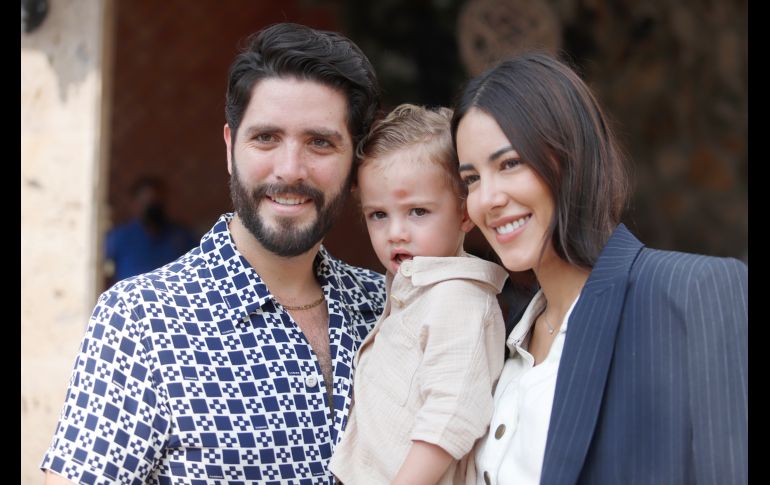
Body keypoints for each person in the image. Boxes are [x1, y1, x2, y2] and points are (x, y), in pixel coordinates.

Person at [41, 22, 384, 484]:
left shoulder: (388, 306)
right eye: (266, 138)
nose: (290, 169)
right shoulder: (141, 321)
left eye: (320, 142)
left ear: (354, 162)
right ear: (230, 147)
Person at [451, 52, 747, 485]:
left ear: (570, 157)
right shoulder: (496, 341)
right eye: (471, 179)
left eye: (509, 163)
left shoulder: (694, 293)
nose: (487, 199)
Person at [329, 104, 508, 485]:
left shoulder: (459, 299)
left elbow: (451, 417)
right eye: (378, 215)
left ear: (464, 214)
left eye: (417, 212)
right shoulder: (411, 292)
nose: (396, 231)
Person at [105, 176, 198, 284]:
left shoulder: (181, 237)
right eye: (147, 204)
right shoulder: (119, 238)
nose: (153, 210)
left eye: (157, 204)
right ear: (135, 205)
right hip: (132, 297)